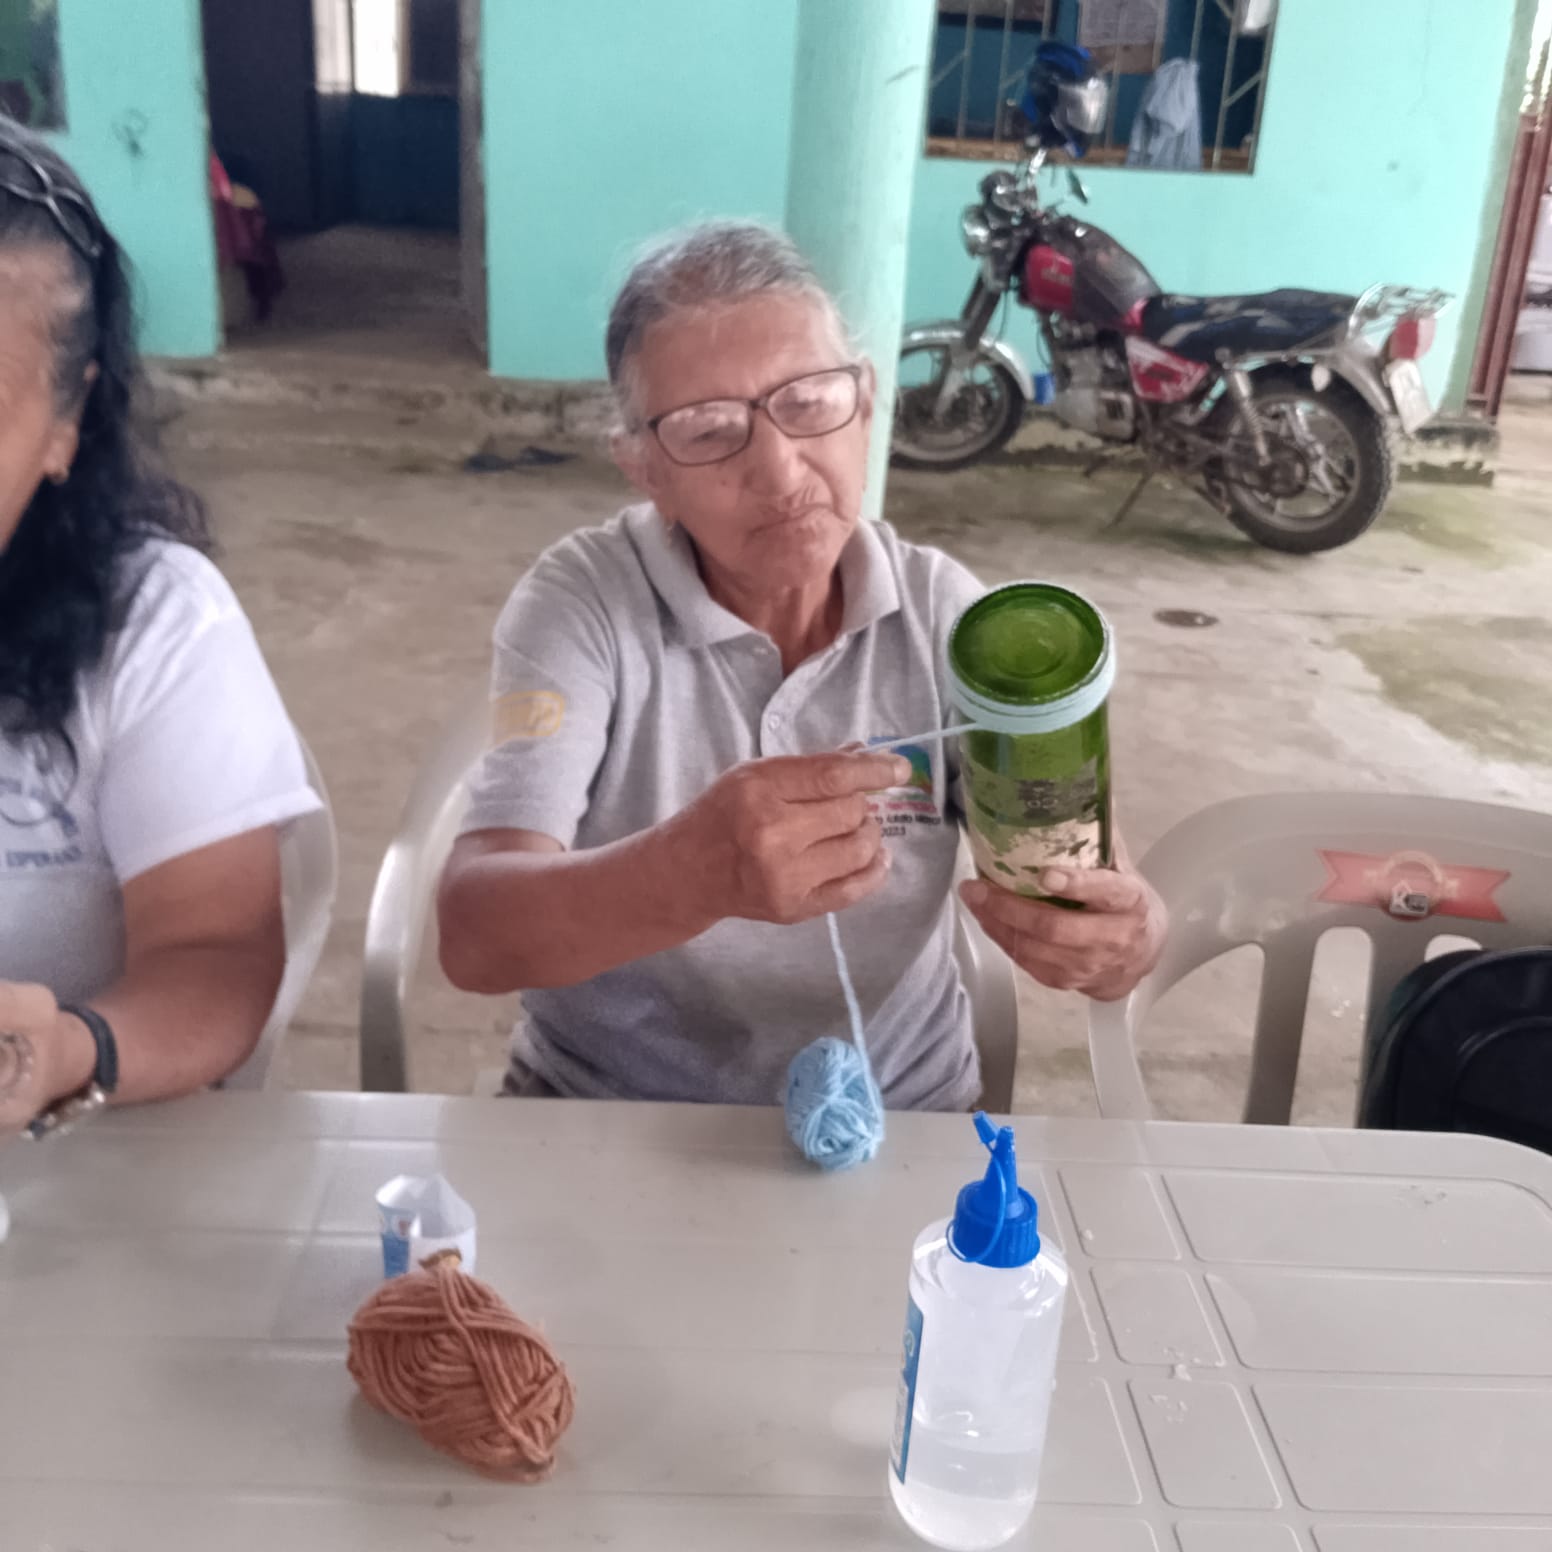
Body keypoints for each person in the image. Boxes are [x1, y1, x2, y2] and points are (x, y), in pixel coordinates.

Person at [438, 221, 1166, 1108]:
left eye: (811, 402)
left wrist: (1120, 937)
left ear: (866, 404)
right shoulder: (584, 604)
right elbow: (474, 937)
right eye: (709, 429)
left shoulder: (948, 618)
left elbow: (1103, 885)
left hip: (901, 1111)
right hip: (607, 1109)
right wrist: (692, 873)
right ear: (643, 468)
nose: (780, 472)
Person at [0, 119, 320, 1137]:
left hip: (59, 1182)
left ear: (64, 424)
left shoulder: (151, 625)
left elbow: (213, 955)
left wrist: (63, 1052)